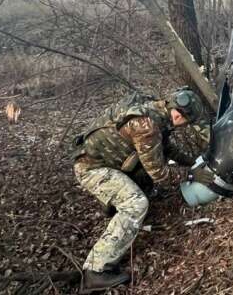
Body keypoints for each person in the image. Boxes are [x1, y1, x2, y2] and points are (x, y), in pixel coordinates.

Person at [71, 88, 208, 293]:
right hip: (92, 169)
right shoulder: (147, 127)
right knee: (136, 204)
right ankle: (95, 271)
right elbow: (159, 174)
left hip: (110, 161)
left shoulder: (156, 111)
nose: (185, 126)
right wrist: (190, 175)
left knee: (143, 188)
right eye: (187, 122)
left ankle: (113, 203)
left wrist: (192, 163)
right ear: (178, 114)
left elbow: (164, 149)